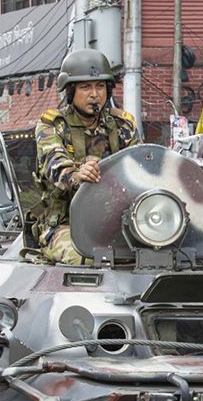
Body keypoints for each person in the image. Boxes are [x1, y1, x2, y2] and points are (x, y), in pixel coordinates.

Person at [32, 48, 139, 264]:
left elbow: (141, 168)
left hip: (118, 222)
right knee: (89, 259)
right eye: (85, 87)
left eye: (100, 86)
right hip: (65, 224)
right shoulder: (53, 125)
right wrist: (78, 174)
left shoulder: (123, 124)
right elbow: (55, 165)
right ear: (70, 91)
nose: (94, 94)